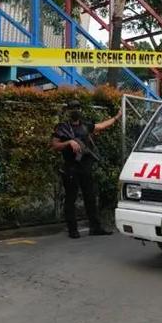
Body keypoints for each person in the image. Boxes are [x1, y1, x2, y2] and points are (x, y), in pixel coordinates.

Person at [51, 100, 120, 238]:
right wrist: (69, 142)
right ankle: (72, 230)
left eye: (77, 107)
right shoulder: (62, 127)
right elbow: (54, 146)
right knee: (71, 199)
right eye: (72, 108)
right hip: (71, 168)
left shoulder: (85, 126)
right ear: (67, 111)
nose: (75, 110)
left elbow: (101, 126)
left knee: (90, 198)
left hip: (85, 168)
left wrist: (117, 117)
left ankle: (95, 227)